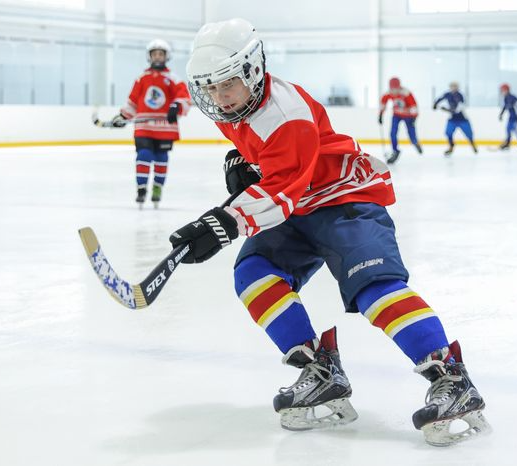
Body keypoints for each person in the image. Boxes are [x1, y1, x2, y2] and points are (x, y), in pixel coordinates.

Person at [169, 18, 490, 446]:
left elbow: (282, 189)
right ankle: (320, 371)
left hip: (345, 200)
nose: (218, 97)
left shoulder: (286, 114)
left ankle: (451, 376)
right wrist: (246, 164)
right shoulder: (236, 105)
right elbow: (280, 171)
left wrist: (223, 222)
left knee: (373, 288)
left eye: (226, 84)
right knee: (254, 274)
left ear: (251, 71)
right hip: (301, 202)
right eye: (209, 88)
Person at [104, 39, 190, 208]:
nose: (157, 57)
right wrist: (123, 116)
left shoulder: (173, 78)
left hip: (165, 127)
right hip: (144, 126)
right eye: (154, 53)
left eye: (161, 53)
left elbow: (184, 97)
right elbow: (133, 102)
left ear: (166, 56)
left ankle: (157, 188)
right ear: (149, 56)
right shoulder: (141, 78)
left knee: (161, 158)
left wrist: (176, 106)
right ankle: (141, 189)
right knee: (143, 155)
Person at [378, 77, 422, 164]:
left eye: (396, 89)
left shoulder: (406, 93)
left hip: (408, 116)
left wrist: (414, 117)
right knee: (393, 133)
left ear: (399, 87)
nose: (394, 91)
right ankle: (395, 151)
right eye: (392, 89)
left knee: (411, 133)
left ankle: (415, 142)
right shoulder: (388, 93)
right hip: (396, 115)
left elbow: (414, 105)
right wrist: (380, 114)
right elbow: (383, 102)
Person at [433, 82, 477, 156]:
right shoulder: (448, 94)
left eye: (455, 86)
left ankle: (473, 145)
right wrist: (435, 104)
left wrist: (446, 109)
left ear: (457, 87)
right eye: (452, 86)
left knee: (469, 134)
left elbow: (458, 109)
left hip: (462, 118)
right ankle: (451, 147)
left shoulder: (460, 96)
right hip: (452, 119)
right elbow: (440, 99)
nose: (453, 88)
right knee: (448, 132)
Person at [499, 83, 517, 150]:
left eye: (502, 90)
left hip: (515, 118)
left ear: (506, 90)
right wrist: (501, 114)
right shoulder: (506, 98)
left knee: (515, 131)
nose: (502, 92)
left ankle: (507, 143)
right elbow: (505, 107)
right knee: (508, 129)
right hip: (511, 118)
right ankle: (507, 143)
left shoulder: (513, 97)